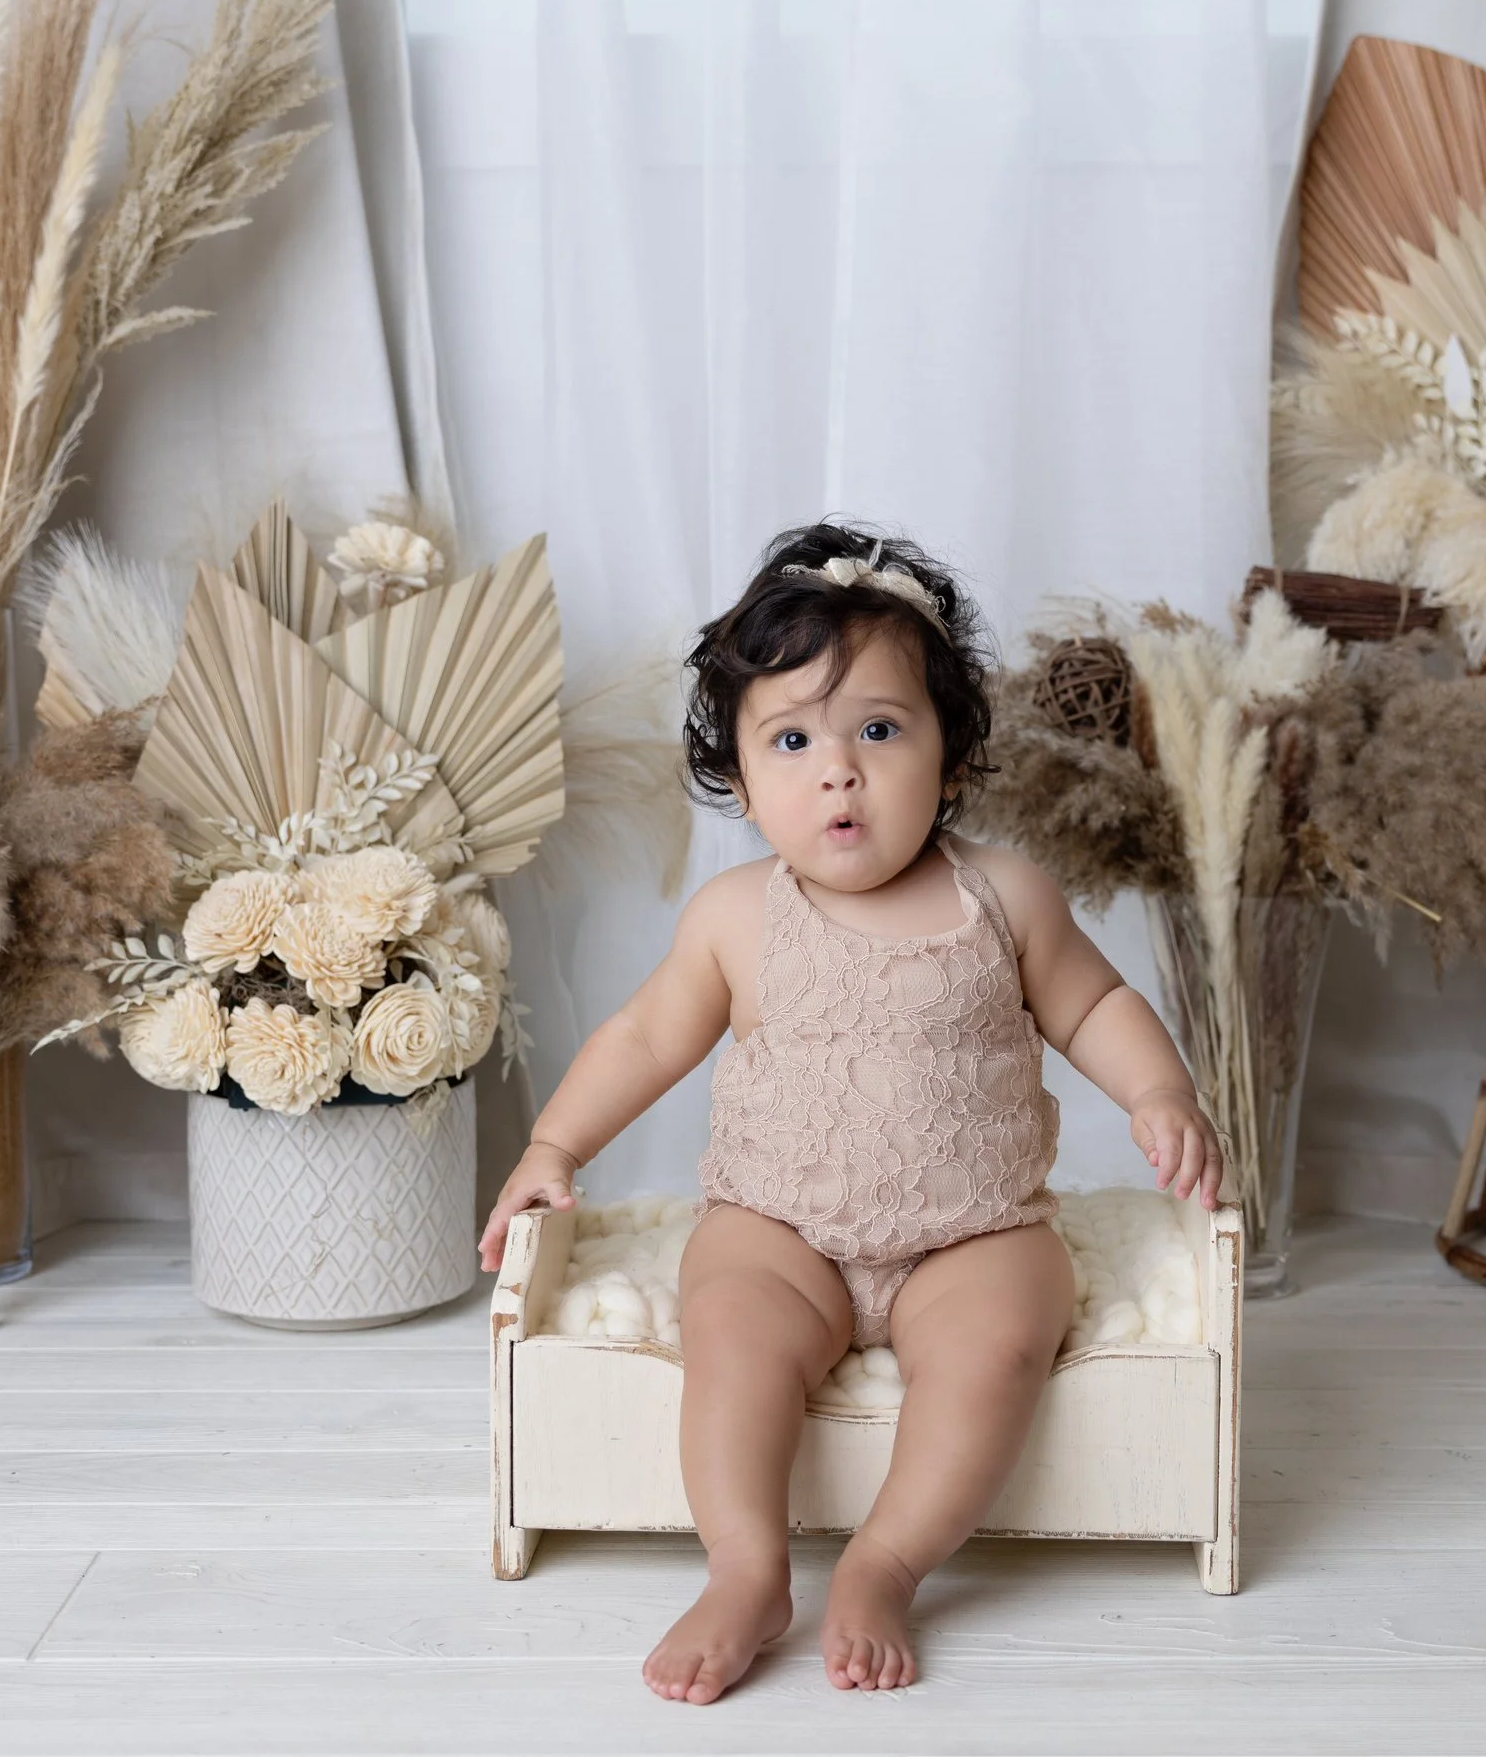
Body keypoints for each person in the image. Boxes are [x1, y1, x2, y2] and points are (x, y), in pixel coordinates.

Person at [478, 522, 1222, 1703]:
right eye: (792, 739)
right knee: (725, 1326)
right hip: (781, 1224)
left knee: (1002, 1340)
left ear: (950, 755)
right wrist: (552, 1144)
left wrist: (1160, 1089)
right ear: (737, 773)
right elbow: (642, 1036)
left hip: (971, 1231)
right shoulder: (734, 918)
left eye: (878, 729)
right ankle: (747, 1566)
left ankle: (885, 1560)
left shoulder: (1006, 898)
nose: (840, 769)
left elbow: (1096, 1004)